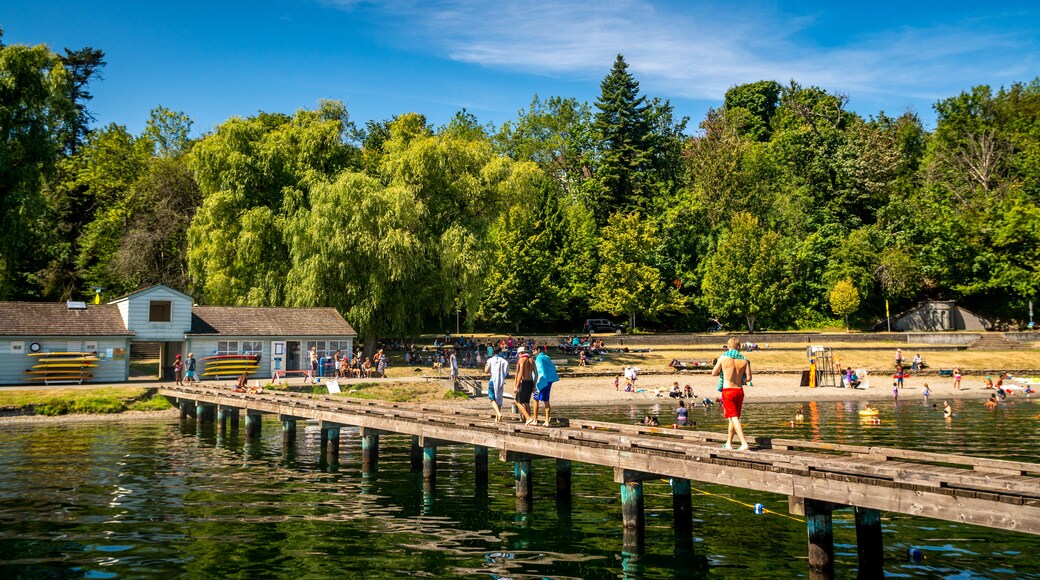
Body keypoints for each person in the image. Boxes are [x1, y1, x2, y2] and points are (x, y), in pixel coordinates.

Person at [712, 337, 752, 451]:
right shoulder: (744, 360)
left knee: (733, 417)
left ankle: (744, 443)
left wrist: (723, 372)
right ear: (739, 347)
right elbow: (749, 378)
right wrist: (740, 380)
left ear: (728, 346)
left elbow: (714, 373)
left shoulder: (723, 358)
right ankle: (728, 443)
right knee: (733, 417)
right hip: (739, 390)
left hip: (728, 390)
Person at [533, 345, 559, 427]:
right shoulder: (546, 357)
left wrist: (535, 382)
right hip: (548, 381)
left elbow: (539, 370)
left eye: (534, 350)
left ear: (538, 350)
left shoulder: (539, 359)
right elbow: (552, 368)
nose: (533, 352)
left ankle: (535, 420)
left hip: (541, 382)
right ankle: (547, 421)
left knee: (535, 399)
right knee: (546, 400)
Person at [485, 346, 509, 422]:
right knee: (499, 399)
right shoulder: (504, 361)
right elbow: (506, 373)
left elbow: (486, 371)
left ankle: (498, 414)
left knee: (492, 399)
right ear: (500, 352)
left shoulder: (490, 360)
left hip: (492, 380)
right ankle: (497, 418)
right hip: (501, 381)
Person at [514, 347, 536, 425]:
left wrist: (516, 386)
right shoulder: (531, 360)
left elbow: (520, 373)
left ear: (520, 353)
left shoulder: (522, 359)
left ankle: (528, 418)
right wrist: (534, 384)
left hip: (524, 382)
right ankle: (529, 419)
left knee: (517, 401)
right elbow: (536, 374)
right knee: (526, 402)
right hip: (530, 382)